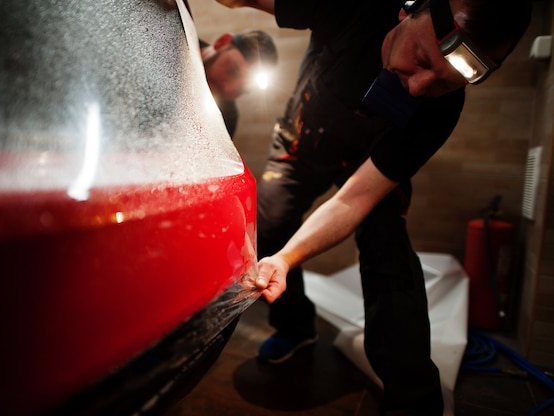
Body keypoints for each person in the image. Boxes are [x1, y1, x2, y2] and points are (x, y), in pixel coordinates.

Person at [215, 0, 532, 415]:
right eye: (420, 59)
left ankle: (414, 402)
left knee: (389, 256)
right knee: (268, 223)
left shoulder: (440, 112)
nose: (419, 87)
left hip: (364, 165)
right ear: (408, 10)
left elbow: (355, 198)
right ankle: (296, 328)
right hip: (301, 146)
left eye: (442, 83)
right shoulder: (355, 7)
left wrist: (287, 261)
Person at [200, 30, 278, 137]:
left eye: (240, 90)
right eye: (232, 71)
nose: (227, 88)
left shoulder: (226, 119)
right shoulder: (174, 39)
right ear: (221, 42)